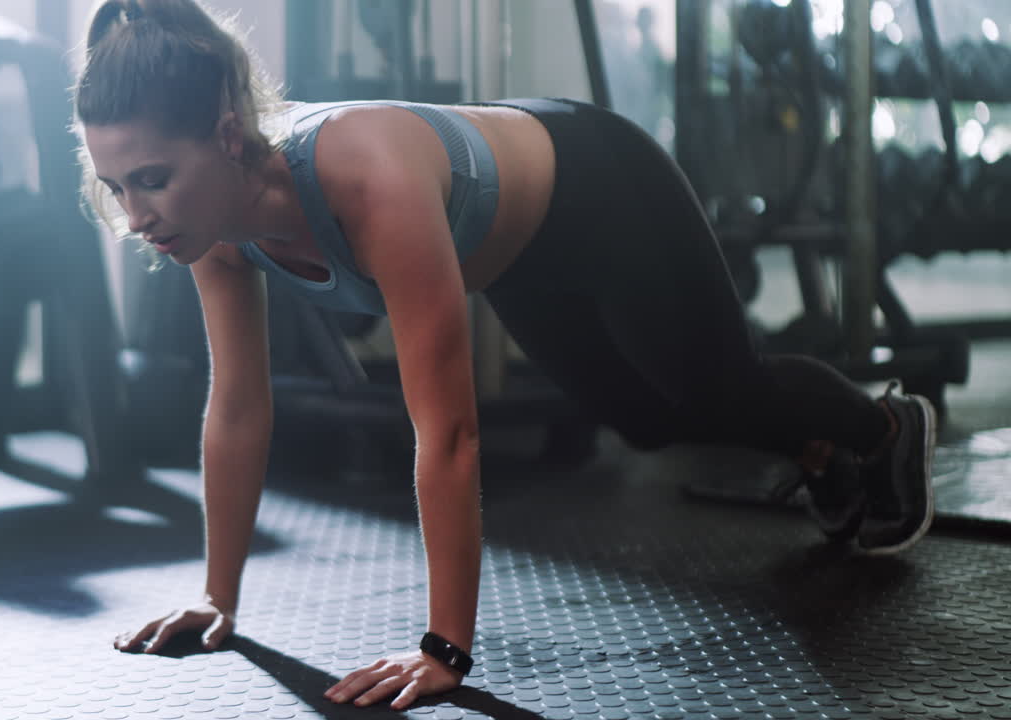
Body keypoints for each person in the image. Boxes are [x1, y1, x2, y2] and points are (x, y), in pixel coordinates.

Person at [74, 0, 937, 710]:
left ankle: (883, 426)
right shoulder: (209, 228)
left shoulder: (366, 176)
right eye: (117, 188)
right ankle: (815, 446)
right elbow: (237, 407)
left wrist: (445, 648)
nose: (138, 214)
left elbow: (448, 434)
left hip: (602, 184)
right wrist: (219, 601)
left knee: (711, 386)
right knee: (641, 420)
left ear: (229, 136)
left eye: (152, 178)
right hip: (519, 250)